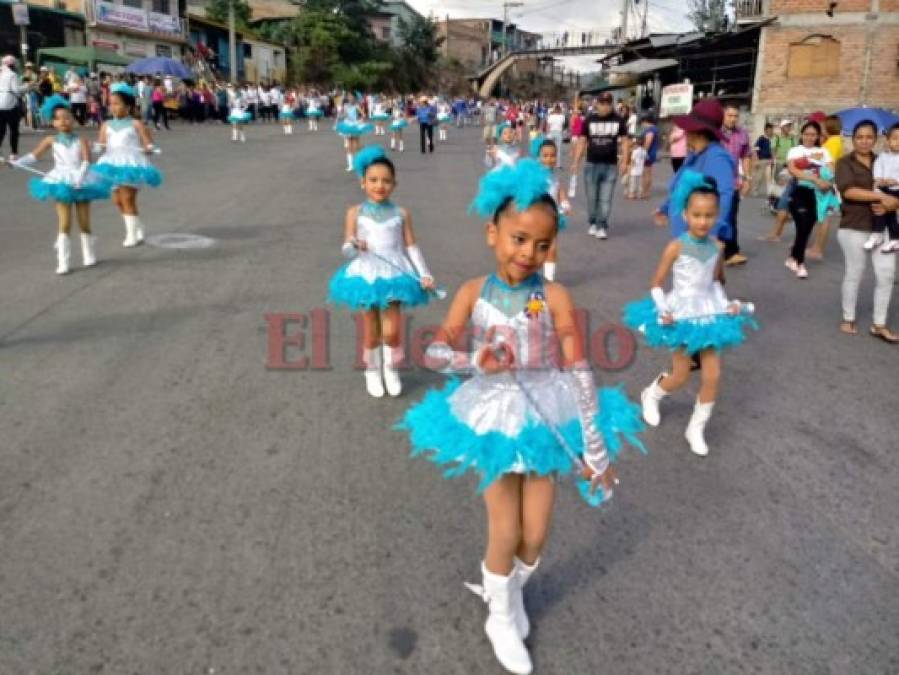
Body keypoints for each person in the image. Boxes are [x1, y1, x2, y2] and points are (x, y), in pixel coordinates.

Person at [396, 159, 644, 675]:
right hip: (493, 414)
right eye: (518, 238)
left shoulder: (554, 296)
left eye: (542, 244)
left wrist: (595, 454)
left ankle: (502, 589)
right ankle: (502, 615)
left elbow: (578, 369)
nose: (528, 253)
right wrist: (472, 360)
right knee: (504, 529)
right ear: (492, 232)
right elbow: (434, 354)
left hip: (546, 410)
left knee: (536, 534)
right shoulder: (471, 292)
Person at [625, 171, 756, 456]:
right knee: (681, 374)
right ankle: (653, 393)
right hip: (681, 312)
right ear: (685, 214)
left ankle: (696, 427)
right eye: (697, 214)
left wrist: (727, 305)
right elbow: (656, 284)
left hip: (709, 315)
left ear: (717, 215)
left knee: (713, 374)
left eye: (709, 215)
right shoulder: (676, 246)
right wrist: (664, 310)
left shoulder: (718, 247)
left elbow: (716, 283)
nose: (703, 221)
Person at [327, 146, 437, 396]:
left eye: (386, 181)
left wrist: (424, 274)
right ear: (362, 182)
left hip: (395, 274)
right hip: (366, 274)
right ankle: (372, 369)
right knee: (372, 329)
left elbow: (412, 246)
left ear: (394, 184)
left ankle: (391, 368)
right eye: (373, 180)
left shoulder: (401, 213)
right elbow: (346, 247)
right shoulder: (354, 212)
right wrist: (354, 245)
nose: (380, 185)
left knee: (392, 329)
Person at [11, 95, 110, 274]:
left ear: (72, 119)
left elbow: (87, 161)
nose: (63, 121)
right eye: (58, 118)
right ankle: (63, 261)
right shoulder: (51, 140)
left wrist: (80, 178)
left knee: (84, 221)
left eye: (67, 117)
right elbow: (34, 156)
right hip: (60, 181)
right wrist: (16, 163)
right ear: (53, 122)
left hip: (82, 180)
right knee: (64, 223)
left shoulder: (82, 140)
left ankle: (89, 253)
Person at [834, 120, 899, 342]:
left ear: (876, 139)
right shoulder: (844, 162)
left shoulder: (885, 160)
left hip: (883, 225)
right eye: (859, 137)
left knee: (887, 274)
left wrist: (894, 203)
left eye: (869, 137)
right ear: (853, 139)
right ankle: (848, 317)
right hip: (854, 225)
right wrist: (883, 197)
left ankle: (879, 324)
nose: (864, 141)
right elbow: (849, 191)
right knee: (855, 273)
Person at [654, 99, 736, 247]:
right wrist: (665, 208)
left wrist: (712, 234)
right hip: (683, 236)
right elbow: (680, 187)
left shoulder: (717, 158)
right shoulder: (695, 155)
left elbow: (724, 197)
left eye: (688, 129)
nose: (685, 132)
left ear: (697, 132)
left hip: (699, 241)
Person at [93, 82, 162, 248]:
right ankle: (138, 226)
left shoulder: (136, 124)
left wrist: (149, 148)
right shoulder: (106, 125)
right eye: (111, 104)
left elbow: (148, 144)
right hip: (111, 164)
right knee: (117, 200)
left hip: (131, 164)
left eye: (117, 103)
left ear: (128, 106)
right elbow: (101, 145)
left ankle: (131, 234)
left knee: (127, 198)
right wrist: (96, 148)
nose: (113, 107)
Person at [573, 92, 630, 240]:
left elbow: (625, 141)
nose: (605, 107)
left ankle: (602, 225)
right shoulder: (589, 120)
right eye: (602, 103)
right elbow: (582, 141)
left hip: (610, 165)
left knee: (605, 199)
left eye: (608, 103)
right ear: (596, 104)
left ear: (611, 104)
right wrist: (576, 161)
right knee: (592, 199)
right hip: (591, 164)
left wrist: (625, 161)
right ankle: (593, 222)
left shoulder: (619, 120)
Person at [784, 121, 834, 279]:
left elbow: (831, 170)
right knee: (803, 225)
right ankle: (800, 263)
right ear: (801, 135)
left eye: (813, 134)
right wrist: (814, 177)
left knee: (806, 228)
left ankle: (792, 257)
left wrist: (825, 180)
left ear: (818, 136)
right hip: (799, 192)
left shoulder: (824, 151)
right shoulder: (795, 150)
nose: (810, 138)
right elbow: (793, 170)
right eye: (806, 134)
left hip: (818, 195)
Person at [807, 115, 846, 260]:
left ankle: (817, 249)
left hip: (825, 184)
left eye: (823, 126)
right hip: (826, 182)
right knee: (822, 216)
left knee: (823, 217)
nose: (821, 128)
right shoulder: (834, 141)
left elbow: (824, 162)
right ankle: (816, 247)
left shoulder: (832, 143)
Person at [534, 138, 571, 280]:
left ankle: (549, 280)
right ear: (538, 157)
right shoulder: (535, 177)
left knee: (552, 248)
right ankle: (534, 275)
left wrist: (565, 202)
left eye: (553, 155)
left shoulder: (556, 177)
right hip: (537, 218)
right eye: (545, 156)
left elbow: (560, 191)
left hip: (553, 217)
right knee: (536, 248)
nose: (549, 159)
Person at [719, 104, 751, 266]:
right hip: (713, 182)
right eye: (729, 115)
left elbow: (746, 156)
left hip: (732, 183)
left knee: (731, 218)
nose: (733, 119)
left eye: (735, 116)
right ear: (722, 116)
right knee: (710, 217)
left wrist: (747, 177)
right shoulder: (714, 132)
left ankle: (731, 252)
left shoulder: (742, 134)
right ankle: (707, 251)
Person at [866, 122, 899, 253]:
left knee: (892, 213)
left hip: (897, 189)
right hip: (885, 188)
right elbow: (878, 169)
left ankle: (895, 238)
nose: (898, 142)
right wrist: (879, 180)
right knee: (878, 207)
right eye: (895, 138)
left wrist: (895, 181)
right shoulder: (883, 156)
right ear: (888, 140)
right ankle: (877, 233)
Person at [335, 93, 372, 172]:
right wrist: (340, 118)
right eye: (349, 97)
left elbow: (364, 115)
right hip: (347, 126)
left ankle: (359, 161)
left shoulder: (356, 106)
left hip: (354, 126)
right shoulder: (345, 106)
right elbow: (340, 115)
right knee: (348, 146)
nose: (350, 98)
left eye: (351, 97)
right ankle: (351, 165)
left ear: (354, 99)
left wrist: (360, 120)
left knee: (355, 146)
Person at [0, 55, 25, 160]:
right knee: (14, 130)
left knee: (1, 130)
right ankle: (13, 153)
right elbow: (16, 90)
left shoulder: (1, 73)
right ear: (12, 64)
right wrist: (27, 87)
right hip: (10, 104)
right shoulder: (12, 75)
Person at [638, 112, 659, 199]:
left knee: (645, 173)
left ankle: (645, 192)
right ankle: (647, 191)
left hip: (647, 154)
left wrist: (643, 152)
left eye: (642, 123)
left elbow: (648, 142)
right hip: (651, 153)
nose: (642, 125)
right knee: (648, 173)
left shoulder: (650, 130)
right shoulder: (655, 129)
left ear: (645, 121)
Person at [752, 122, 774, 197]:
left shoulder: (773, 139)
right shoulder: (761, 138)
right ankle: (755, 190)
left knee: (770, 176)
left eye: (771, 129)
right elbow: (756, 148)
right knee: (759, 177)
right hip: (762, 160)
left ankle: (770, 191)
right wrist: (756, 158)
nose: (771, 131)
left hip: (770, 160)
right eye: (769, 130)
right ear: (765, 130)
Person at [545, 104, 565, 168]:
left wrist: (547, 133)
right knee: (558, 149)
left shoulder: (551, 116)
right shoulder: (562, 116)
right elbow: (562, 124)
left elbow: (548, 125)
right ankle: (558, 164)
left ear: (554, 110)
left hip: (551, 132)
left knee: (549, 148)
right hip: (559, 132)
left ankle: (548, 163)